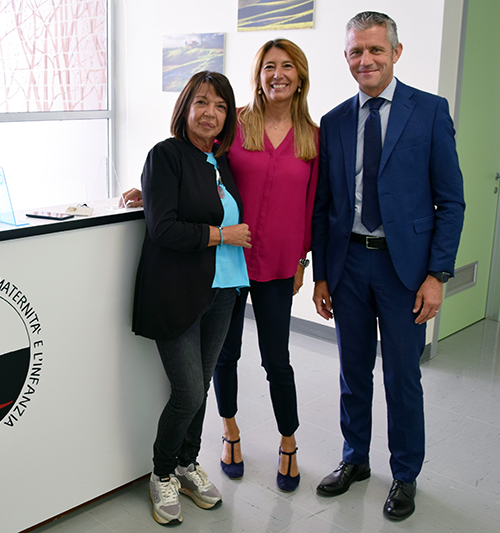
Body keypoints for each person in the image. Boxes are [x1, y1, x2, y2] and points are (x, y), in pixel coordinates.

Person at [311, 12, 465, 521]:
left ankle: (405, 474)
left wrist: (437, 275)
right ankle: (355, 458)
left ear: (396, 53)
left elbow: (451, 202)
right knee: (352, 372)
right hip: (349, 264)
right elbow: (325, 206)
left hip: (407, 272)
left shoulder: (430, 111)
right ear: (346, 56)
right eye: (356, 51)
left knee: (402, 378)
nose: (366, 60)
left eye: (376, 49)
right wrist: (322, 274)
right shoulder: (334, 122)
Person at [131, 71, 251, 525]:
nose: (210, 113)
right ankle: (162, 472)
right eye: (202, 102)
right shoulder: (165, 155)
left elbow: (194, 202)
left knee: (201, 387)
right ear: (185, 107)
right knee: (187, 391)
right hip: (178, 292)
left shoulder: (220, 161)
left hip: (224, 290)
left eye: (220, 106)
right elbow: (163, 228)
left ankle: (187, 463)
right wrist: (223, 234)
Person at [211, 38, 319, 493]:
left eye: (287, 66)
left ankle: (288, 442)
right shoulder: (235, 125)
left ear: (300, 76)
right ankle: (230, 432)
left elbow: (313, 206)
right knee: (226, 353)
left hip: (278, 263)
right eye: (269, 66)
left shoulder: (313, 137)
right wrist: (151, 188)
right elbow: (196, 162)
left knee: (278, 360)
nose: (278, 74)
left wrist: (302, 260)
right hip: (230, 259)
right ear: (258, 76)